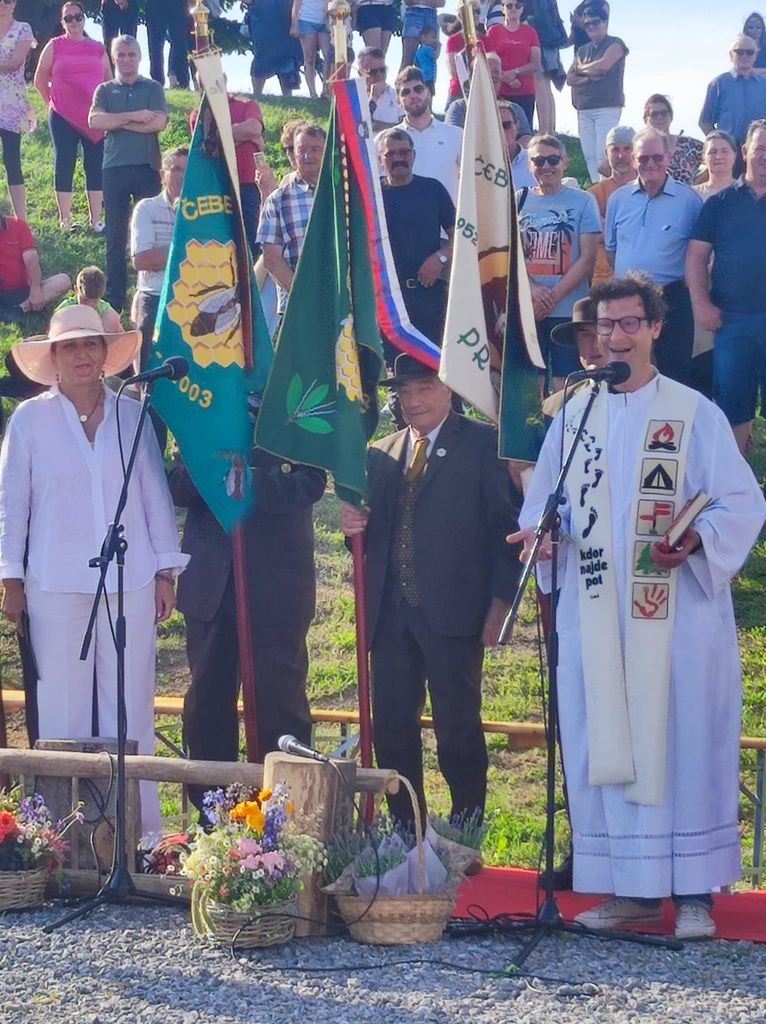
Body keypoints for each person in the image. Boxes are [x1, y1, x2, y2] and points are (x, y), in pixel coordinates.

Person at [513, 272, 766, 940]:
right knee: (608, 740)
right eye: (606, 326)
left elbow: (741, 502)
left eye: (630, 323)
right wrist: (543, 537)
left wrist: (700, 540)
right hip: (597, 612)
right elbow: (542, 503)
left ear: (655, 328)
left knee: (679, 742)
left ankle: (693, 897)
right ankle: (629, 890)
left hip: (678, 618)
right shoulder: (574, 416)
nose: (617, 337)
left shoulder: (694, 413)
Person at [0, 305, 188, 832]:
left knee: (129, 707)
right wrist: (11, 578)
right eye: (71, 346)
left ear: (106, 354)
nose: (82, 355)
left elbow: (153, 493)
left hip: (131, 579)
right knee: (62, 710)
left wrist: (165, 572)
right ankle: (63, 838)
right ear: (53, 358)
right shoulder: (29, 420)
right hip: (54, 583)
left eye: (91, 344)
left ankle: (138, 835)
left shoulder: (132, 413)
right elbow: (12, 505)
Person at [339, 354, 522, 827]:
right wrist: (351, 526)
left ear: (449, 390)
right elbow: (367, 536)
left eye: (425, 388)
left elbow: (506, 531)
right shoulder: (380, 453)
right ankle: (407, 828)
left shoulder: (483, 445)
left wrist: (501, 603)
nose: (414, 400)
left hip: (455, 612)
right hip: (390, 615)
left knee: (457, 728)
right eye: (405, 392)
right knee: (392, 729)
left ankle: (466, 827)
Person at [168, 446, 325, 816]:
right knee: (206, 705)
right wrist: (215, 477)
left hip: (277, 586)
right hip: (210, 582)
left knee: (280, 704)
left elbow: (311, 482)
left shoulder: (288, 414)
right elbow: (175, 482)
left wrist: (251, 483)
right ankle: (214, 821)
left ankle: (283, 819)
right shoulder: (202, 414)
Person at [686, 118, 766, 456]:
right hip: (732, 322)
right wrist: (701, 304)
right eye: (759, 148)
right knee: (733, 409)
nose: (764, 155)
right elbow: (695, 257)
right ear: (745, 151)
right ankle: (738, 483)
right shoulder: (719, 203)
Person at [604, 128, 703, 390]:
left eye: (657, 157)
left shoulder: (689, 201)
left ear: (668, 157)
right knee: (627, 373)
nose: (650, 164)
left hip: (671, 300)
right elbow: (612, 250)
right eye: (643, 158)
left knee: (674, 376)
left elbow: (700, 254)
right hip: (627, 300)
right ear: (634, 159)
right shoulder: (618, 199)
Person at [89, 35, 168, 313]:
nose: (126, 60)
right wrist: (134, 116)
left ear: (139, 56)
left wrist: (116, 123)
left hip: (147, 167)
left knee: (151, 233)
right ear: (113, 58)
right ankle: (115, 299)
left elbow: (158, 123)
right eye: (120, 55)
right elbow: (95, 120)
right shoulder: (104, 89)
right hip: (114, 168)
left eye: (131, 54)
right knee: (115, 235)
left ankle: (151, 293)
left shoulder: (153, 87)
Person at [518, 134, 601, 392]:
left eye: (553, 160)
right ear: (529, 165)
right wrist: (533, 291)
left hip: (568, 308)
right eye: (538, 161)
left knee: (567, 381)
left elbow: (588, 258)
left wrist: (552, 297)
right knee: (533, 382)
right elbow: (511, 255)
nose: (546, 166)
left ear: (564, 162)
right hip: (529, 307)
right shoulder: (517, 200)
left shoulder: (583, 201)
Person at [34, 2, 112, 234]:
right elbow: (40, 79)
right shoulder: (54, 45)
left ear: (84, 18)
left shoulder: (97, 48)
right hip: (62, 115)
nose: (74, 21)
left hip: (94, 116)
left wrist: (107, 113)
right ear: (62, 22)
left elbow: (108, 82)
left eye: (78, 16)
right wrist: (51, 103)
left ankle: (96, 220)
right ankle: (65, 219)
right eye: (68, 18)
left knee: (95, 165)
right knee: (64, 162)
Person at [378, 127, 455, 353]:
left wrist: (440, 258)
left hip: (429, 296)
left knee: (432, 363)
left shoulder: (433, 189)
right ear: (381, 159)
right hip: (387, 299)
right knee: (394, 367)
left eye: (403, 152)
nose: (398, 158)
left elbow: (461, 235)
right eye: (390, 154)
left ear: (413, 155)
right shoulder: (372, 194)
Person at [257, 124, 326, 314]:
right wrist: (303, 297)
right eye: (301, 150)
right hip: (298, 309)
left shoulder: (345, 193)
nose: (307, 155)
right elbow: (272, 259)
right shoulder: (278, 200)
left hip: (344, 306)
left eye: (315, 149)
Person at [130, 147, 188, 369]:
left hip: (192, 299)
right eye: (176, 169)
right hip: (155, 297)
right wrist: (189, 253)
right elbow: (142, 260)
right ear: (163, 175)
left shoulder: (205, 214)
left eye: (187, 170)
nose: (182, 176)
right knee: (150, 369)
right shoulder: (147, 208)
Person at [566, 2, 627, 184]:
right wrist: (589, 77)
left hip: (607, 106)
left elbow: (603, 66)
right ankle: (596, 189)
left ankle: (607, 189)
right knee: (590, 156)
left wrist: (581, 69)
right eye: (587, 24)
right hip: (584, 107)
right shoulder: (582, 50)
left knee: (603, 154)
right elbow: (570, 78)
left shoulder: (615, 44)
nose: (591, 26)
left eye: (595, 22)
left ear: (605, 22)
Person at [388, 66, 462, 203]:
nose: (413, 95)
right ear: (398, 101)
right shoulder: (385, 141)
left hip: (447, 217)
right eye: (406, 92)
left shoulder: (456, 135)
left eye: (418, 89)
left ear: (427, 93)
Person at [699, 35, 766, 165]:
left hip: (758, 151)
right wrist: (720, 145)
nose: (745, 56)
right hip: (730, 153)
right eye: (739, 52)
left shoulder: (764, 85)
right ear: (731, 55)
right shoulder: (718, 84)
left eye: (749, 52)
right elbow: (705, 122)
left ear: (755, 56)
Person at [0, 0, 36, 221]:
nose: (3, 4)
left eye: (7, 0)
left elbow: (15, 62)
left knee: (12, 160)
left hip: (11, 105)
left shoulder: (23, 28)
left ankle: (20, 219)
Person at [0, 211, 70, 322]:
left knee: (63, 280)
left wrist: (35, 288)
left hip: (24, 290)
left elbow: (31, 259)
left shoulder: (17, 225)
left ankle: (19, 309)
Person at [445, 51, 532, 141]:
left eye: (496, 72)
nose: (493, 75)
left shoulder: (514, 109)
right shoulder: (459, 107)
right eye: (488, 71)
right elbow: (451, 138)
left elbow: (526, 139)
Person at [587, 124, 635, 285]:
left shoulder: (648, 190)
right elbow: (592, 235)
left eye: (627, 149)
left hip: (640, 279)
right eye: (615, 150)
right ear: (606, 153)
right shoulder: (593, 194)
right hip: (604, 281)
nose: (621, 155)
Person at [483, 0, 541, 124]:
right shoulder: (492, 32)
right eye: (509, 6)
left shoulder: (531, 32)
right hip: (499, 91)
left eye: (517, 5)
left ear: (522, 9)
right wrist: (507, 78)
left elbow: (535, 64)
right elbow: (489, 61)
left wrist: (515, 72)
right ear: (502, 8)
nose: (513, 9)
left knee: (524, 128)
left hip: (524, 91)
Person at [642, 94, 703, 188]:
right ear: (645, 119)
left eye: (663, 113)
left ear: (671, 116)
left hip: (684, 196)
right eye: (654, 114)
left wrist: (697, 183)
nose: (659, 117)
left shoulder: (691, 145)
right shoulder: (640, 150)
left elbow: (717, 158)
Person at [243, 0, 301, 96]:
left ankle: (288, 97)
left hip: (285, 18)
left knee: (287, 57)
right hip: (262, 18)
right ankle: (257, 95)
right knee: (262, 56)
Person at [528, 0, 568, 134]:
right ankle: (550, 130)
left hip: (539, 38)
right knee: (546, 86)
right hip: (550, 40)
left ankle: (544, 131)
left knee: (539, 84)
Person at [55, 265, 123, 335]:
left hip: (98, 338)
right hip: (72, 337)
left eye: (95, 301)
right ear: (76, 290)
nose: (90, 305)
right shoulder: (66, 309)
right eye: (85, 300)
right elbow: (54, 330)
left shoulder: (105, 311)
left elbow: (122, 336)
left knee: (111, 319)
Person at [144, 0, 190, 90]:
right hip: (155, 4)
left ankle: (182, 81)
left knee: (179, 41)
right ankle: (157, 82)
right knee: (155, 45)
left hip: (177, 4)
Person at [357, 46, 403, 132]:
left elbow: (406, 128)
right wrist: (374, 99)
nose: (379, 75)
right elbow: (359, 127)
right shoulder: (355, 98)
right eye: (373, 72)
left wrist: (375, 125)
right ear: (360, 73)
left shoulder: (398, 96)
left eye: (382, 70)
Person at [290, 0, 328, 99]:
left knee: (328, 56)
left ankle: (325, 90)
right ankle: (313, 93)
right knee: (309, 58)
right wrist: (294, 24)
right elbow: (296, 5)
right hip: (306, 20)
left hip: (325, 21)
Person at [400, 0, 444, 70]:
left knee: (429, 61)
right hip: (414, 13)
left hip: (431, 15)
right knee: (407, 62)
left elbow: (441, 3)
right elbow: (407, 1)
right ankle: (404, 77)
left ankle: (425, 77)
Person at [694, 130, 737, 199]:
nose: (718, 157)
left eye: (724, 151)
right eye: (713, 152)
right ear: (703, 157)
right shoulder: (693, 195)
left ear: (734, 155)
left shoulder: (747, 192)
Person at [500, 101, 535, 187]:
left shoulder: (537, 162)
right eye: (495, 126)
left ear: (517, 126)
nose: (501, 131)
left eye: (506, 125)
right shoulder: (478, 164)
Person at [413, 25, 439, 94]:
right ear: (423, 37)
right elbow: (435, 56)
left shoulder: (419, 50)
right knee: (430, 94)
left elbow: (415, 62)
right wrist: (438, 47)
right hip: (429, 77)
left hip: (422, 76)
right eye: (433, 37)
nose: (435, 40)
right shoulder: (428, 49)